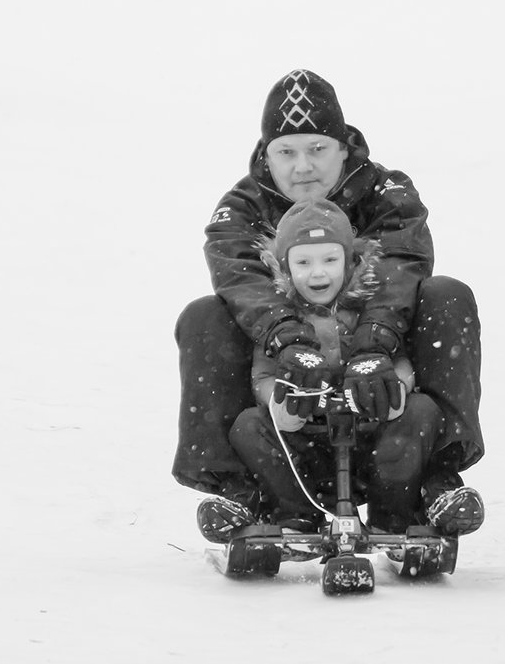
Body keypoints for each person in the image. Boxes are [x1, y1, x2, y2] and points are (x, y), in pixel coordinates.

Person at [172, 69, 485, 540]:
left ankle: (434, 480)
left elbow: (402, 265)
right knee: (204, 316)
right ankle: (241, 490)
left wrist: (373, 346)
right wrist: (288, 341)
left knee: (447, 295)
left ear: (344, 147)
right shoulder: (242, 207)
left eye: (317, 149)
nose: (303, 167)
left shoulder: (387, 194)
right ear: (266, 155)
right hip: (283, 409)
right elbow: (241, 281)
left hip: (388, 400)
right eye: (287, 152)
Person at [196, 198, 484, 543]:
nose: (318, 273)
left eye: (330, 260)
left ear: (349, 262)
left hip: (370, 432)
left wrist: (395, 390)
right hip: (305, 439)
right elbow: (262, 374)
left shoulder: (372, 306)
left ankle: (396, 515)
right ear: (285, 267)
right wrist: (281, 402)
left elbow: (401, 360)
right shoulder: (279, 316)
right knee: (249, 427)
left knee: (421, 413)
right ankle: (292, 516)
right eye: (303, 262)